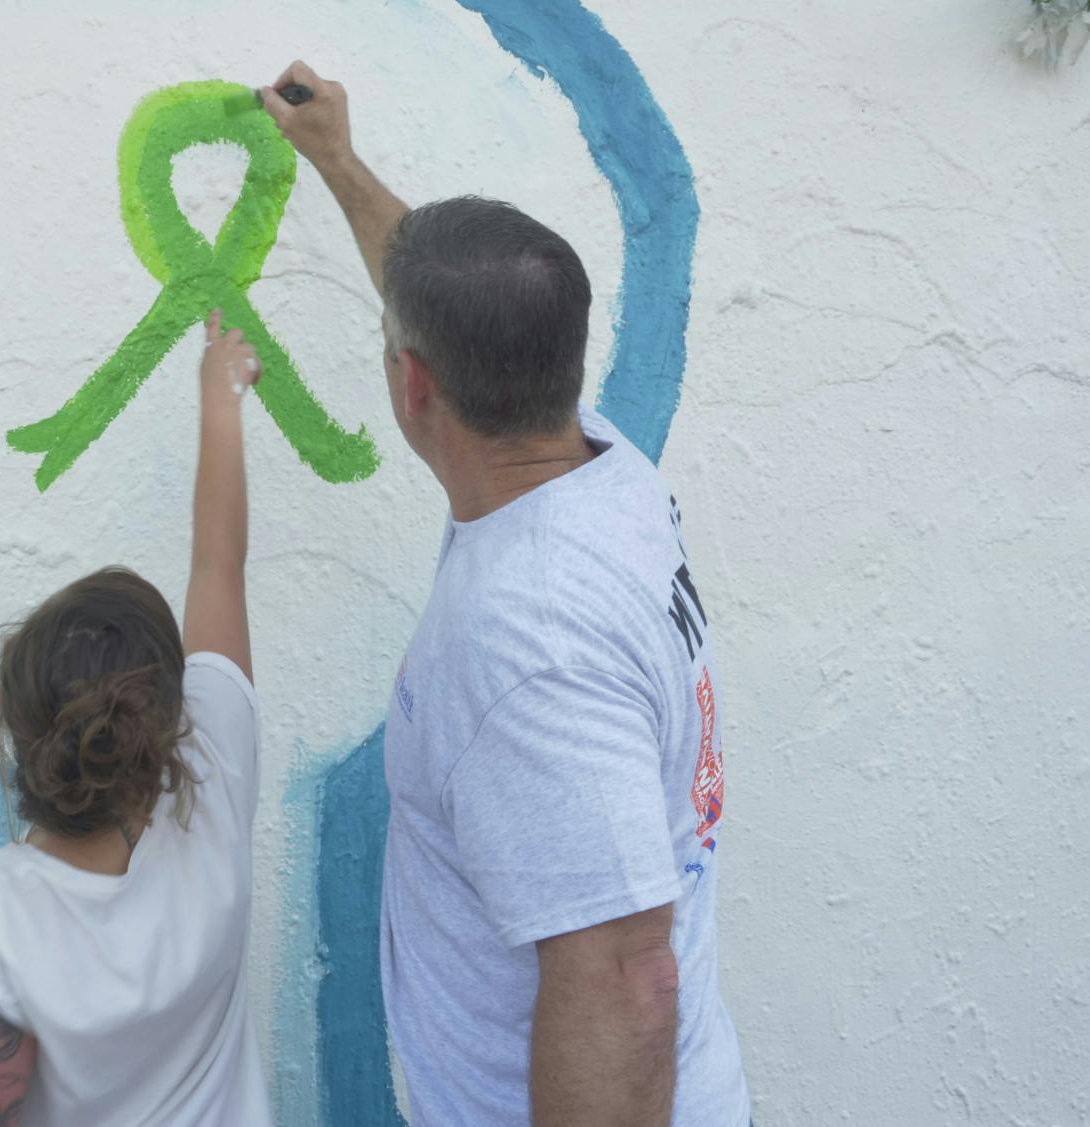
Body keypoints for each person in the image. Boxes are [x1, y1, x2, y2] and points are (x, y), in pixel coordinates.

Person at [257, 61, 751, 1126]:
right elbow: (451, 300)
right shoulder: (600, 463)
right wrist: (336, 162)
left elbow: (626, 976)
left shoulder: (528, 645)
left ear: (413, 385)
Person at [0, 311, 271, 1126]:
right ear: (169, 721)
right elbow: (219, 563)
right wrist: (220, 396)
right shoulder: (215, 782)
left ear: (13, 722)